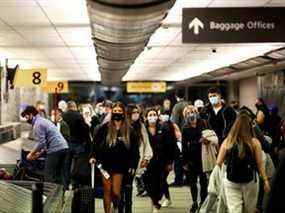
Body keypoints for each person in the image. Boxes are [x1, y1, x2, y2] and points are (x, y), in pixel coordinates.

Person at [90, 102, 140, 213]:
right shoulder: (104, 128)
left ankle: (116, 207)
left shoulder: (130, 130)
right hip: (105, 164)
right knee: (107, 190)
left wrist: (133, 164)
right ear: (112, 112)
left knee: (116, 192)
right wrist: (93, 156)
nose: (117, 113)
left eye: (119, 111)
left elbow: (134, 150)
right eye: (115, 111)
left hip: (121, 165)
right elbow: (95, 144)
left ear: (123, 113)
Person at [216, 113, 270, 213]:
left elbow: (218, 162)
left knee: (234, 209)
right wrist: (266, 180)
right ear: (249, 126)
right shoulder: (254, 142)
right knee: (249, 209)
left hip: (231, 180)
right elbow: (260, 164)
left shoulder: (228, 141)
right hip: (250, 182)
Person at [21, 106, 69, 189]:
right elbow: (46, 141)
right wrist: (39, 154)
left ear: (31, 114)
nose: (26, 120)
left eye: (26, 117)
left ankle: (51, 198)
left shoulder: (37, 124)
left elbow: (41, 142)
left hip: (55, 149)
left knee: (48, 175)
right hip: (64, 147)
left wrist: (31, 153)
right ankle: (62, 196)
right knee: (59, 175)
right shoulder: (43, 120)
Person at [118, 104, 153, 213]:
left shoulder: (141, 126)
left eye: (137, 112)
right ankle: (120, 208)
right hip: (121, 161)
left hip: (134, 161)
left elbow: (146, 142)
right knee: (120, 189)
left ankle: (128, 209)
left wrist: (147, 158)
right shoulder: (122, 125)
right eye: (133, 112)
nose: (136, 115)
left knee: (128, 188)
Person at [144, 108, 175, 213]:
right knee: (148, 183)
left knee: (160, 183)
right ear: (146, 117)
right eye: (150, 115)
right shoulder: (142, 129)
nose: (152, 117)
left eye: (154, 114)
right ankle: (155, 201)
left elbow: (170, 145)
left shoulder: (163, 127)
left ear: (157, 116)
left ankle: (155, 203)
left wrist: (170, 162)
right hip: (147, 162)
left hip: (162, 161)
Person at [182, 105, 208, 213]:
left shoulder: (203, 123)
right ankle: (194, 202)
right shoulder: (185, 128)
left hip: (203, 155)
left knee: (203, 182)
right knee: (192, 182)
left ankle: (203, 202)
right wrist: (184, 162)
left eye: (192, 112)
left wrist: (207, 140)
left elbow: (211, 135)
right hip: (191, 157)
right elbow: (184, 145)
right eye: (188, 113)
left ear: (196, 112)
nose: (191, 114)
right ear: (185, 116)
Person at [62, 101, 91, 188]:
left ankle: (65, 184)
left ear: (68, 107)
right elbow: (85, 129)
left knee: (66, 165)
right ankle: (75, 183)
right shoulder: (79, 115)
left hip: (66, 143)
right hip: (78, 144)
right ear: (74, 107)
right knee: (78, 165)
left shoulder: (63, 116)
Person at [170, 90, 188, 186]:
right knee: (187, 157)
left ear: (176, 96)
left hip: (180, 135)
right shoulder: (189, 105)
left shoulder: (177, 106)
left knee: (178, 158)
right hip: (189, 134)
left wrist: (177, 136)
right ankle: (188, 179)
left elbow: (174, 122)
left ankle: (178, 180)